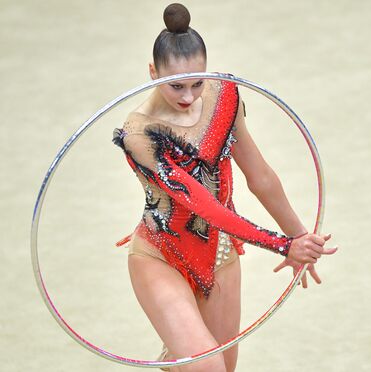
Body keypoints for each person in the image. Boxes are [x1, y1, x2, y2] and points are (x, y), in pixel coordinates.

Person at [112, 3, 337, 371]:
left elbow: (259, 175)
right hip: (160, 256)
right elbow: (202, 204)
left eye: (197, 82)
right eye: (176, 86)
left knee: (218, 368)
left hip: (220, 257)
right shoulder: (140, 133)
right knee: (206, 366)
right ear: (152, 73)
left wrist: (301, 238)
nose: (188, 96)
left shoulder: (225, 96)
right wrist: (283, 246)